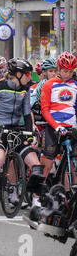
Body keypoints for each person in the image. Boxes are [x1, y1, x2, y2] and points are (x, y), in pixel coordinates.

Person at [0, 58, 45, 213]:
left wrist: (30, 136)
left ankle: (37, 203)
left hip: (18, 130)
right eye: (28, 74)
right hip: (0, 130)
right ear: (18, 74)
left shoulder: (25, 90)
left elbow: (26, 114)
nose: (30, 77)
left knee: (36, 166)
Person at [40, 52, 77, 184]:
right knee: (47, 163)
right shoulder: (48, 84)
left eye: (71, 71)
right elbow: (44, 109)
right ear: (59, 69)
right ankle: (36, 196)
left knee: (73, 163)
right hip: (53, 128)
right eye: (65, 71)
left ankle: (69, 194)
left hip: (71, 128)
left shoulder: (75, 85)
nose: (68, 74)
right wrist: (56, 126)